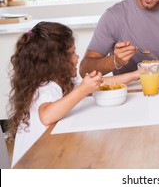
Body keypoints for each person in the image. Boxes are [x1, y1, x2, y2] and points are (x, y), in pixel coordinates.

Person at [7, 22, 139, 167]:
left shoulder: (60, 81)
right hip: (35, 164)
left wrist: (136, 74)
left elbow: (101, 82)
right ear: (54, 61)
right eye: (72, 53)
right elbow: (46, 116)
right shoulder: (46, 87)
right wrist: (82, 90)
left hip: (47, 156)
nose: (77, 58)